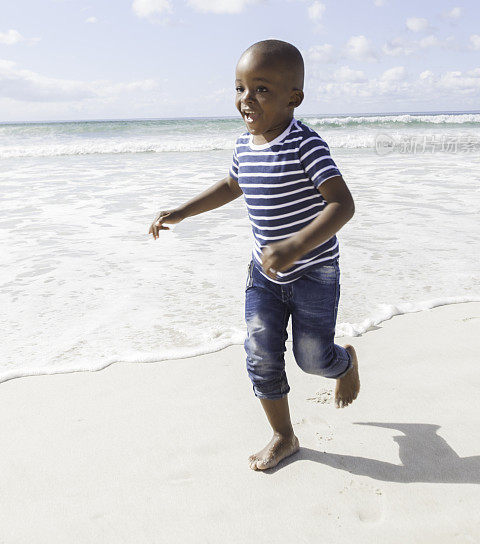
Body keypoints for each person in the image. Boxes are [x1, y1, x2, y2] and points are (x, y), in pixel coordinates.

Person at [149, 39, 360, 471]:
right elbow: (232, 186)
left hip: (314, 272)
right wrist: (184, 210)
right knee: (261, 354)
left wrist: (297, 245)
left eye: (261, 89)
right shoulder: (245, 146)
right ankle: (284, 435)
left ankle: (345, 362)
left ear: (293, 98)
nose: (246, 100)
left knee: (312, 358)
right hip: (263, 274)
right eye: (240, 88)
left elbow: (343, 204)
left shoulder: (306, 145)